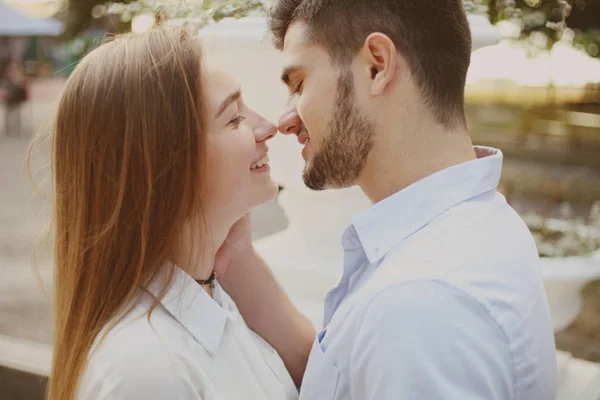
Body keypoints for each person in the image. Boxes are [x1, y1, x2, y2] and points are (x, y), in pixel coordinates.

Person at [217, 0, 557, 399]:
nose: (284, 120)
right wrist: (236, 257)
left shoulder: (419, 308)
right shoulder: (477, 224)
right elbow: (352, 374)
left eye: (299, 84)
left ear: (376, 65)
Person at [43, 27, 308, 400]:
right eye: (234, 118)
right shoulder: (147, 370)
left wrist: (239, 258)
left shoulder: (213, 303)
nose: (267, 127)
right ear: (166, 169)